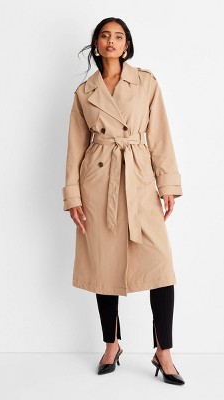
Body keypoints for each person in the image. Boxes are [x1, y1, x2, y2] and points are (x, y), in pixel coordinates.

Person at [62, 17, 185, 385]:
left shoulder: (146, 82)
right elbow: (75, 147)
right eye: (105, 36)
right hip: (99, 184)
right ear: (96, 45)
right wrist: (73, 195)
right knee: (104, 265)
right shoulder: (85, 92)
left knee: (160, 268)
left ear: (127, 45)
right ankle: (111, 344)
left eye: (118, 36)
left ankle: (163, 351)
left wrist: (167, 183)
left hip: (138, 179)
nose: (111, 41)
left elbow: (159, 135)